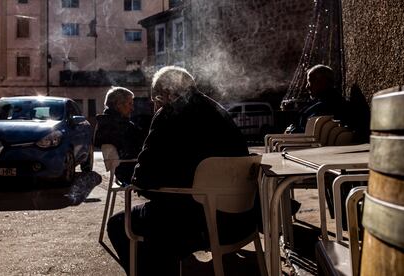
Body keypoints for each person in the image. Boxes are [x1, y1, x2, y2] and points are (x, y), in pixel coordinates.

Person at [107, 66, 258, 275]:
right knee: (168, 211)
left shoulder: (168, 115)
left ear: (167, 94)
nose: (155, 107)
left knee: (118, 224)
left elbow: (142, 178)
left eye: (156, 101)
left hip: (198, 226)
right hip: (241, 221)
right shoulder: (219, 111)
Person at [94, 86, 144, 184]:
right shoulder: (119, 126)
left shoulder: (105, 123)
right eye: (130, 104)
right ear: (118, 105)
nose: (132, 108)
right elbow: (139, 148)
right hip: (131, 172)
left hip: (124, 171)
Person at [286, 64, 350, 133]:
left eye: (310, 81)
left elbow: (307, 130)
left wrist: (291, 130)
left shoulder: (328, 105)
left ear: (323, 82)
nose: (307, 87)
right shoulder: (323, 102)